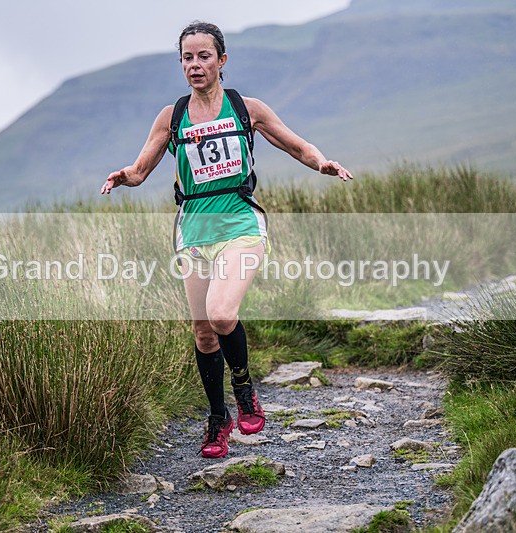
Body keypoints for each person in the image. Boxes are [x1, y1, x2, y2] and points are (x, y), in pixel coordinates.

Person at [101, 21, 352, 458]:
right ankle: (218, 421)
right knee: (202, 332)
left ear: (222, 60)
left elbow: (294, 145)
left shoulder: (245, 108)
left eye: (203, 56)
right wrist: (125, 176)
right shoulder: (172, 116)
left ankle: (244, 388)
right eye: (187, 58)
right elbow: (141, 170)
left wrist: (321, 162)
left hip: (240, 224)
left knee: (220, 314)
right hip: (194, 230)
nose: (195, 65)